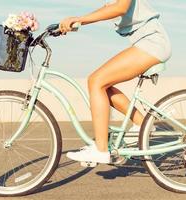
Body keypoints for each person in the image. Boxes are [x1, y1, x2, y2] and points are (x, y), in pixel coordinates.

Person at [59, 0, 172, 164]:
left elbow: (120, 8)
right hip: (147, 42)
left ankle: (101, 149)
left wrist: (80, 19)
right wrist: (73, 23)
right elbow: (108, 8)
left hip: (152, 43)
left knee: (96, 80)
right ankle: (142, 124)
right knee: (104, 86)